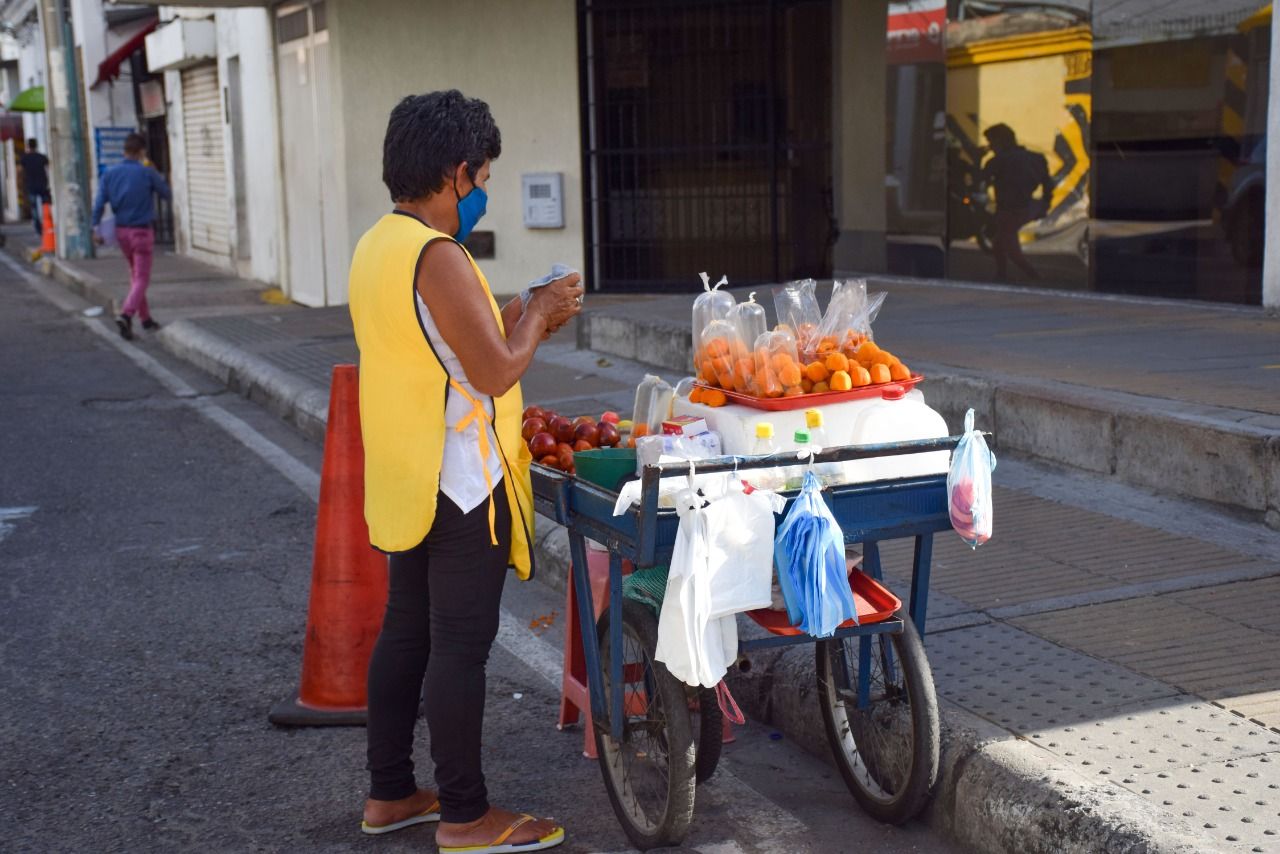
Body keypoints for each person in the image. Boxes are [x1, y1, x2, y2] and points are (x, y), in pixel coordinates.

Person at [348, 90, 581, 853]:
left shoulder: (377, 244)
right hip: (459, 483)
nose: (482, 192)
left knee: (405, 636)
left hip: (406, 474)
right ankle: (465, 814)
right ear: (456, 173)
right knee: (459, 648)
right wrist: (540, 318)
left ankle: (389, 795)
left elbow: (443, 351)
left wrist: (516, 310)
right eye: (482, 177)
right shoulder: (438, 254)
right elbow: (492, 372)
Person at [91, 132, 171, 340]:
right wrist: (155, 173)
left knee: (136, 276)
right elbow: (166, 193)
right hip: (142, 231)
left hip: (122, 232)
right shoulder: (147, 173)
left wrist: (95, 228)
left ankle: (145, 319)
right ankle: (127, 314)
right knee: (142, 277)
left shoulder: (109, 174)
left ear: (124, 151)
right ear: (142, 151)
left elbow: (99, 204)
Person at [980, 123, 1053, 281]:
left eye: (991, 142)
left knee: (1008, 246)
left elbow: (980, 180)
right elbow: (1048, 183)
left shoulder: (997, 161)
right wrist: (1046, 202)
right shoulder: (1036, 158)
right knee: (1000, 242)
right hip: (1029, 206)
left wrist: (977, 158)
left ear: (1000, 141)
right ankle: (1002, 274)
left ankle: (1033, 275)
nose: (990, 146)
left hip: (1009, 210)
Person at [19, 138, 49, 235]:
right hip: (43, 185)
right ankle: (48, 226)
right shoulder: (41, 157)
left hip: (31, 186)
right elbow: (48, 168)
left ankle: (39, 230)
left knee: (34, 209)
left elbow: (21, 172)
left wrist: (21, 186)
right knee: (46, 207)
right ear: (36, 145)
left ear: (28, 146)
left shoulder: (24, 158)